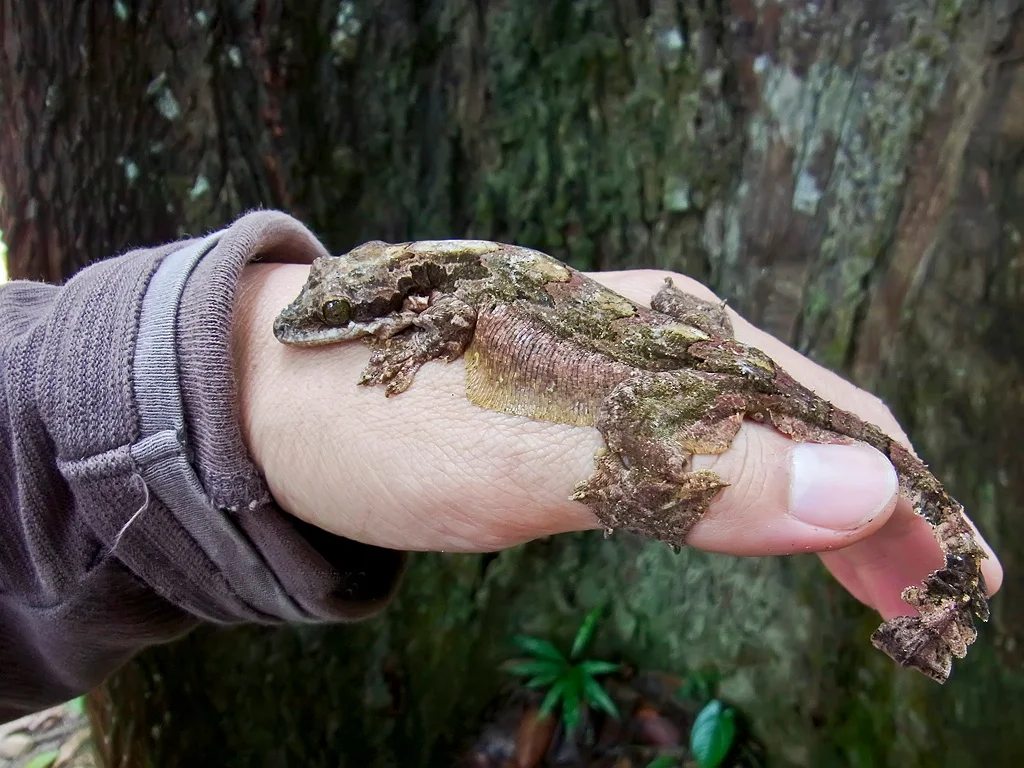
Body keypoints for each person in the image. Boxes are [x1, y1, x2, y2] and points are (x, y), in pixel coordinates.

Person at [0, 211, 1002, 723]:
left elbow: (463, 312)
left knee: (676, 444)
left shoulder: (430, 300)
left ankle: (927, 570)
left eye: (328, 316)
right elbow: (436, 306)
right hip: (668, 348)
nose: (312, 326)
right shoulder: (407, 288)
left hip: (684, 372)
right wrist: (223, 376)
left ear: (379, 303)